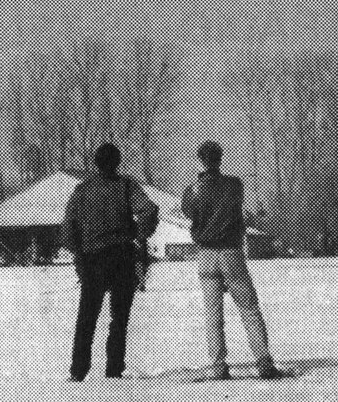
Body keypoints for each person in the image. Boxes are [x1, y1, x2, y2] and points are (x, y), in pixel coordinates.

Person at [182, 141, 286, 380]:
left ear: (200, 160)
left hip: (206, 255)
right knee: (249, 308)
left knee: (212, 312)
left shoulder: (192, 190)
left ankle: (218, 366)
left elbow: (189, 212)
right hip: (231, 253)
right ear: (220, 158)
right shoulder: (234, 184)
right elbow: (236, 208)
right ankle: (263, 361)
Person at [61, 143, 158, 381]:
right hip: (121, 256)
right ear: (118, 161)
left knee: (87, 316)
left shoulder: (82, 190)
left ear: (96, 162)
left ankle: (78, 370)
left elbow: (67, 229)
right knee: (119, 316)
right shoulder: (126, 185)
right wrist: (138, 235)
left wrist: (78, 252)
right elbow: (149, 211)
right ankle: (114, 369)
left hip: (92, 259)